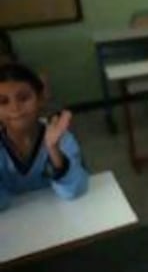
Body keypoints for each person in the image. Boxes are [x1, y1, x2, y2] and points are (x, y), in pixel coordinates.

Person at [0, 63, 88, 211]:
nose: (15, 107)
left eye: (23, 98)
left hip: (63, 216)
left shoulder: (61, 139)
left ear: (40, 99)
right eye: (3, 102)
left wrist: (54, 151)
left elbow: (74, 191)